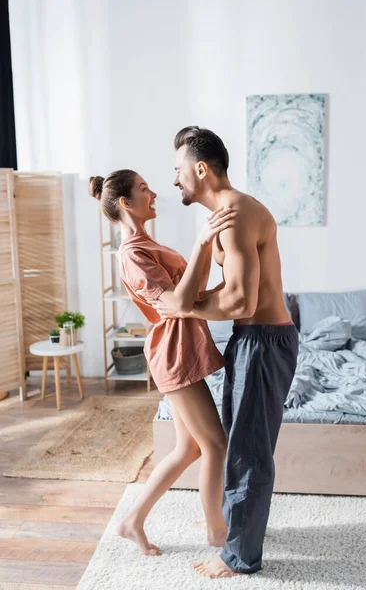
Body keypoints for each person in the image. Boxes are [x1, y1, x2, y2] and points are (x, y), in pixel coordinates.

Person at [152, 127, 299, 578]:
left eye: (178, 169)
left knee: (248, 453)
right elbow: (231, 291)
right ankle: (241, 529)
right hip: (252, 339)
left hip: (263, 339)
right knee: (240, 443)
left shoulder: (235, 213)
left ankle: (239, 557)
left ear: (200, 168)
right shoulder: (223, 216)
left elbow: (240, 301)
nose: (174, 180)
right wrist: (189, 302)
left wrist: (187, 309)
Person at [89, 170, 234, 556]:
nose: (153, 193)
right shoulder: (133, 254)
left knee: (189, 449)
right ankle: (217, 532)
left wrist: (222, 271)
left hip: (180, 349)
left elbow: (193, 292)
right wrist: (203, 243)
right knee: (215, 444)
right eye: (142, 189)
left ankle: (132, 521)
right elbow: (177, 304)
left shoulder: (146, 244)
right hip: (173, 354)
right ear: (124, 203)